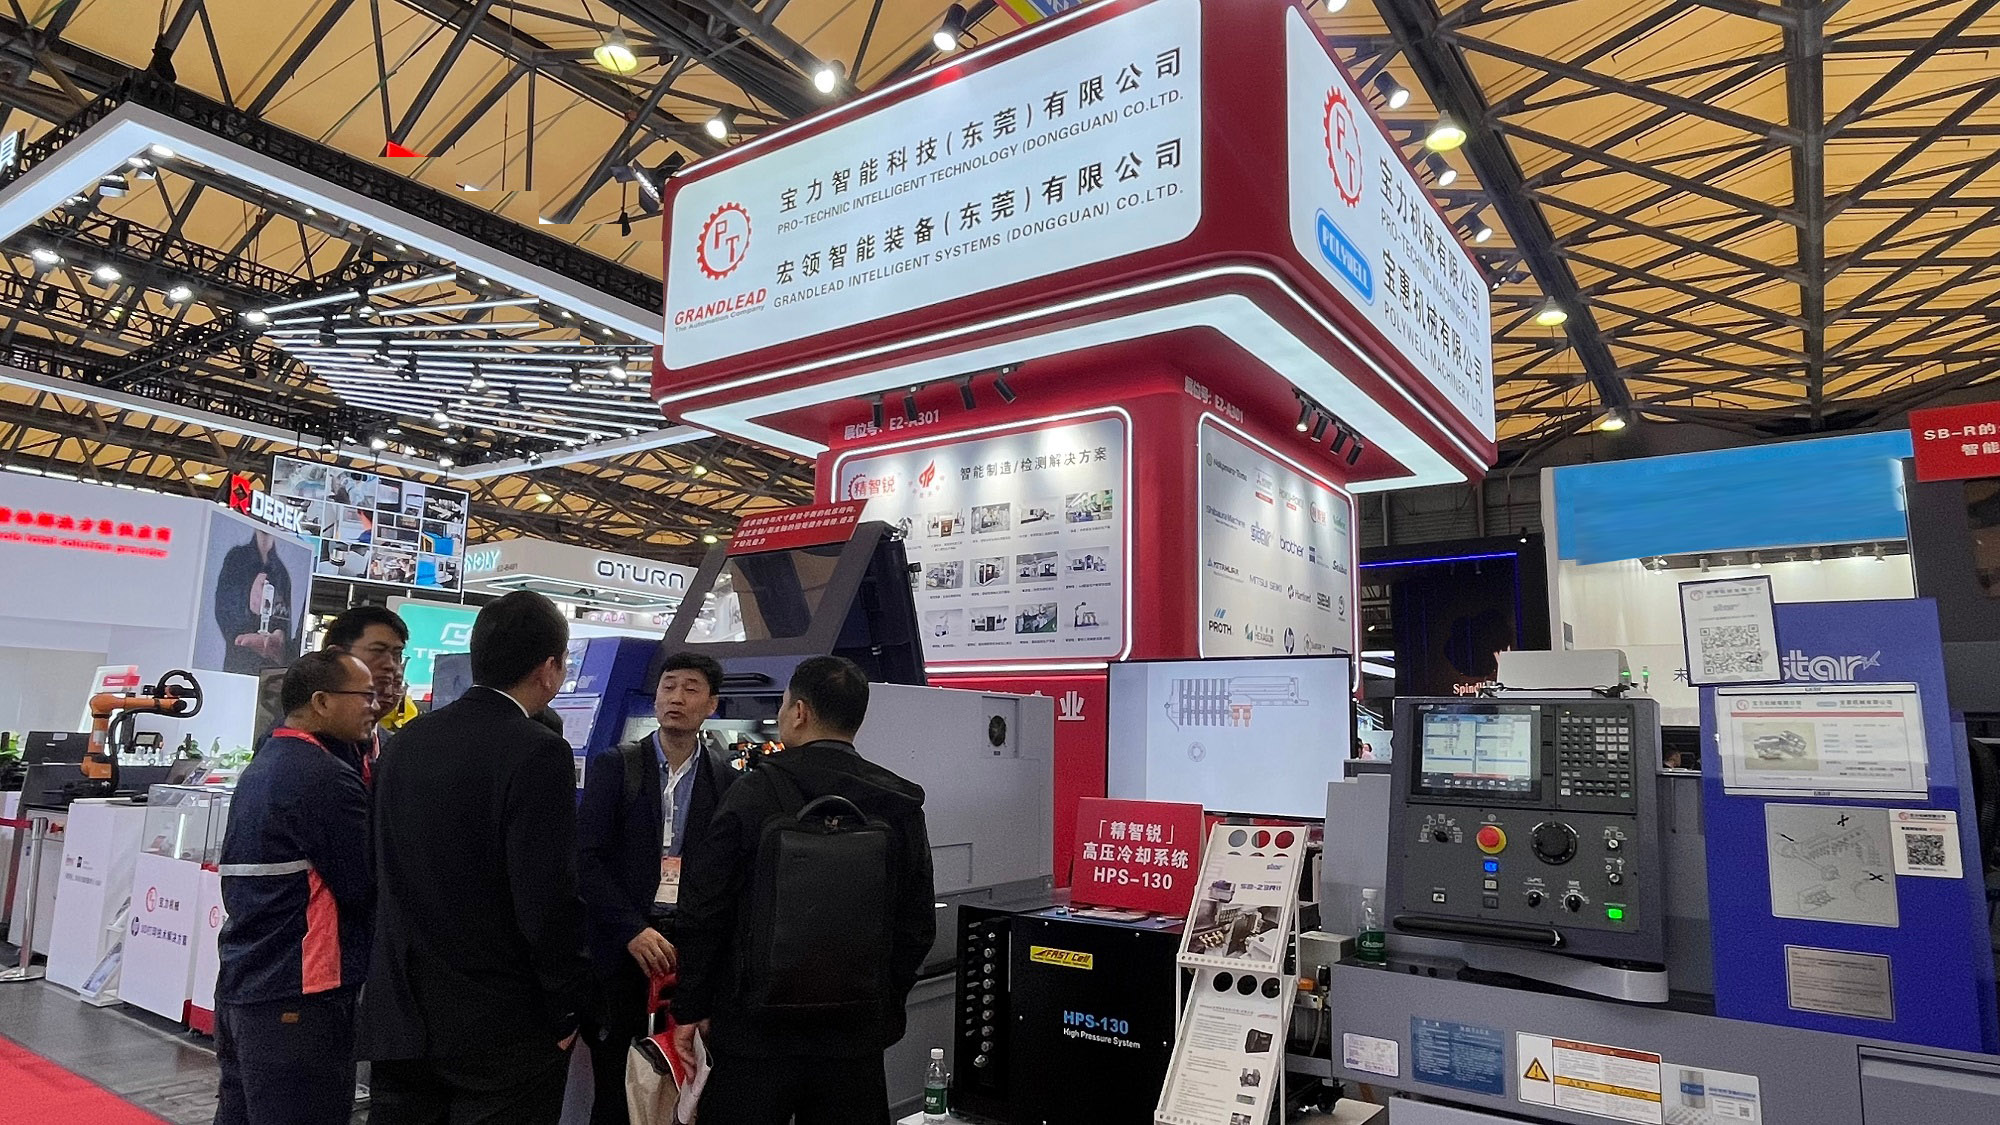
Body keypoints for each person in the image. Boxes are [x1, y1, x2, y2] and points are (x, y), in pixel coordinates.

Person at [356, 590, 593, 1124]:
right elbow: (546, 898)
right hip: (499, 1026)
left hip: (401, 1011)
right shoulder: (538, 750)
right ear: (549, 669)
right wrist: (567, 1006)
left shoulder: (406, 741)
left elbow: (379, 867)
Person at [671, 656, 935, 1125]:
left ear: (799, 712)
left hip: (753, 1032)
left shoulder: (752, 793)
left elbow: (704, 907)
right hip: (853, 1038)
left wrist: (693, 1005)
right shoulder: (897, 801)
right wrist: (884, 998)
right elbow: (917, 924)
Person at [213, 650, 376, 1125]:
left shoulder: (269, 760)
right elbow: (364, 884)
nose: (374, 706)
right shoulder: (322, 776)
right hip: (300, 990)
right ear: (321, 702)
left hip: (247, 983)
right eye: (364, 696)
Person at [576, 652, 739, 1125]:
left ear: (711, 704)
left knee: (681, 1084)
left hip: (687, 950)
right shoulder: (618, 765)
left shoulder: (725, 778)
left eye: (691, 688)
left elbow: (725, 874)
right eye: (669, 686)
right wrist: (631, 930)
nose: (676, 698)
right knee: (615, 1088)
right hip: (623, 948)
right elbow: (586, 860)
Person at [214, 529, 296, 675]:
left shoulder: (281, 573)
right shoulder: (237, 558)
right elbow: (224, 609)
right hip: (239, 669)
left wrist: (279, 638)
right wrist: (249, 607)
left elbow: (285, 623)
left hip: (270, 675)